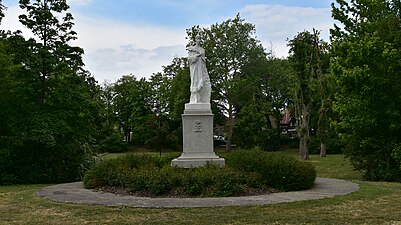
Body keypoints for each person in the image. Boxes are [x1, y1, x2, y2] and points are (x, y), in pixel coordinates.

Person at [187, 34, 211, 103]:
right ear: (195, 40)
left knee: (202, 83)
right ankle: (195, 100)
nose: (199, 40)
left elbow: (204, 60)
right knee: (195, 83)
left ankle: (201, 99)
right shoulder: (192, 49)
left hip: (201, 69)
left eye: (200, 39)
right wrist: (196, 56)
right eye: (197, 39)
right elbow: (190, 59)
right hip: (195, 69)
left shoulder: (202, 50)